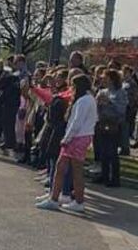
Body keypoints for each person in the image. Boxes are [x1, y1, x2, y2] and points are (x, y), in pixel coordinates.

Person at [37, 74, 98, 213]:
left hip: (76, 137)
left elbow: (76, 122)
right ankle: (75, 200)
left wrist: (66, 138)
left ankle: (55, 199)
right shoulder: (90, 99)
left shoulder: (83, 101)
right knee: (75, 170)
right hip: (83, 136)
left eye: (73, 85)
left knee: (62, 167)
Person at [95, 69, 127, 187]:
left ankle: (114, 178)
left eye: (106, 77)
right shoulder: (102, 91)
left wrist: (109, 103)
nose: (103, 79)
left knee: (112, 152)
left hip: (114, 124)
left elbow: (121, 110)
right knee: (102, 152)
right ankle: (104, 175)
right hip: (102, 123)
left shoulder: (120, 92)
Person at [121, 65, 137, 155]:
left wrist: (131, 106)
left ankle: (125, 148)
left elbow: (134, 97)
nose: (124, 74)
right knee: (123, 129)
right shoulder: (123, 83)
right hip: (123, 109)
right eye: (123, 72)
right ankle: (123, 146)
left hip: (128, 109)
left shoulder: (132, 84)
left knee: (126, 129)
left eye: (126, 72)